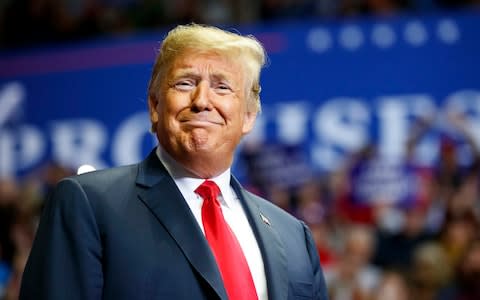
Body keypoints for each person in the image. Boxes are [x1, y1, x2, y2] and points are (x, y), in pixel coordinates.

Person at [19, 24, 328, 300]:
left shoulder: (293, 235)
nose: (202, 100)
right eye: (184, 83)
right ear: (155, 105)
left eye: (222, 86)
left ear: (248, 116)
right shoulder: (88, 204)